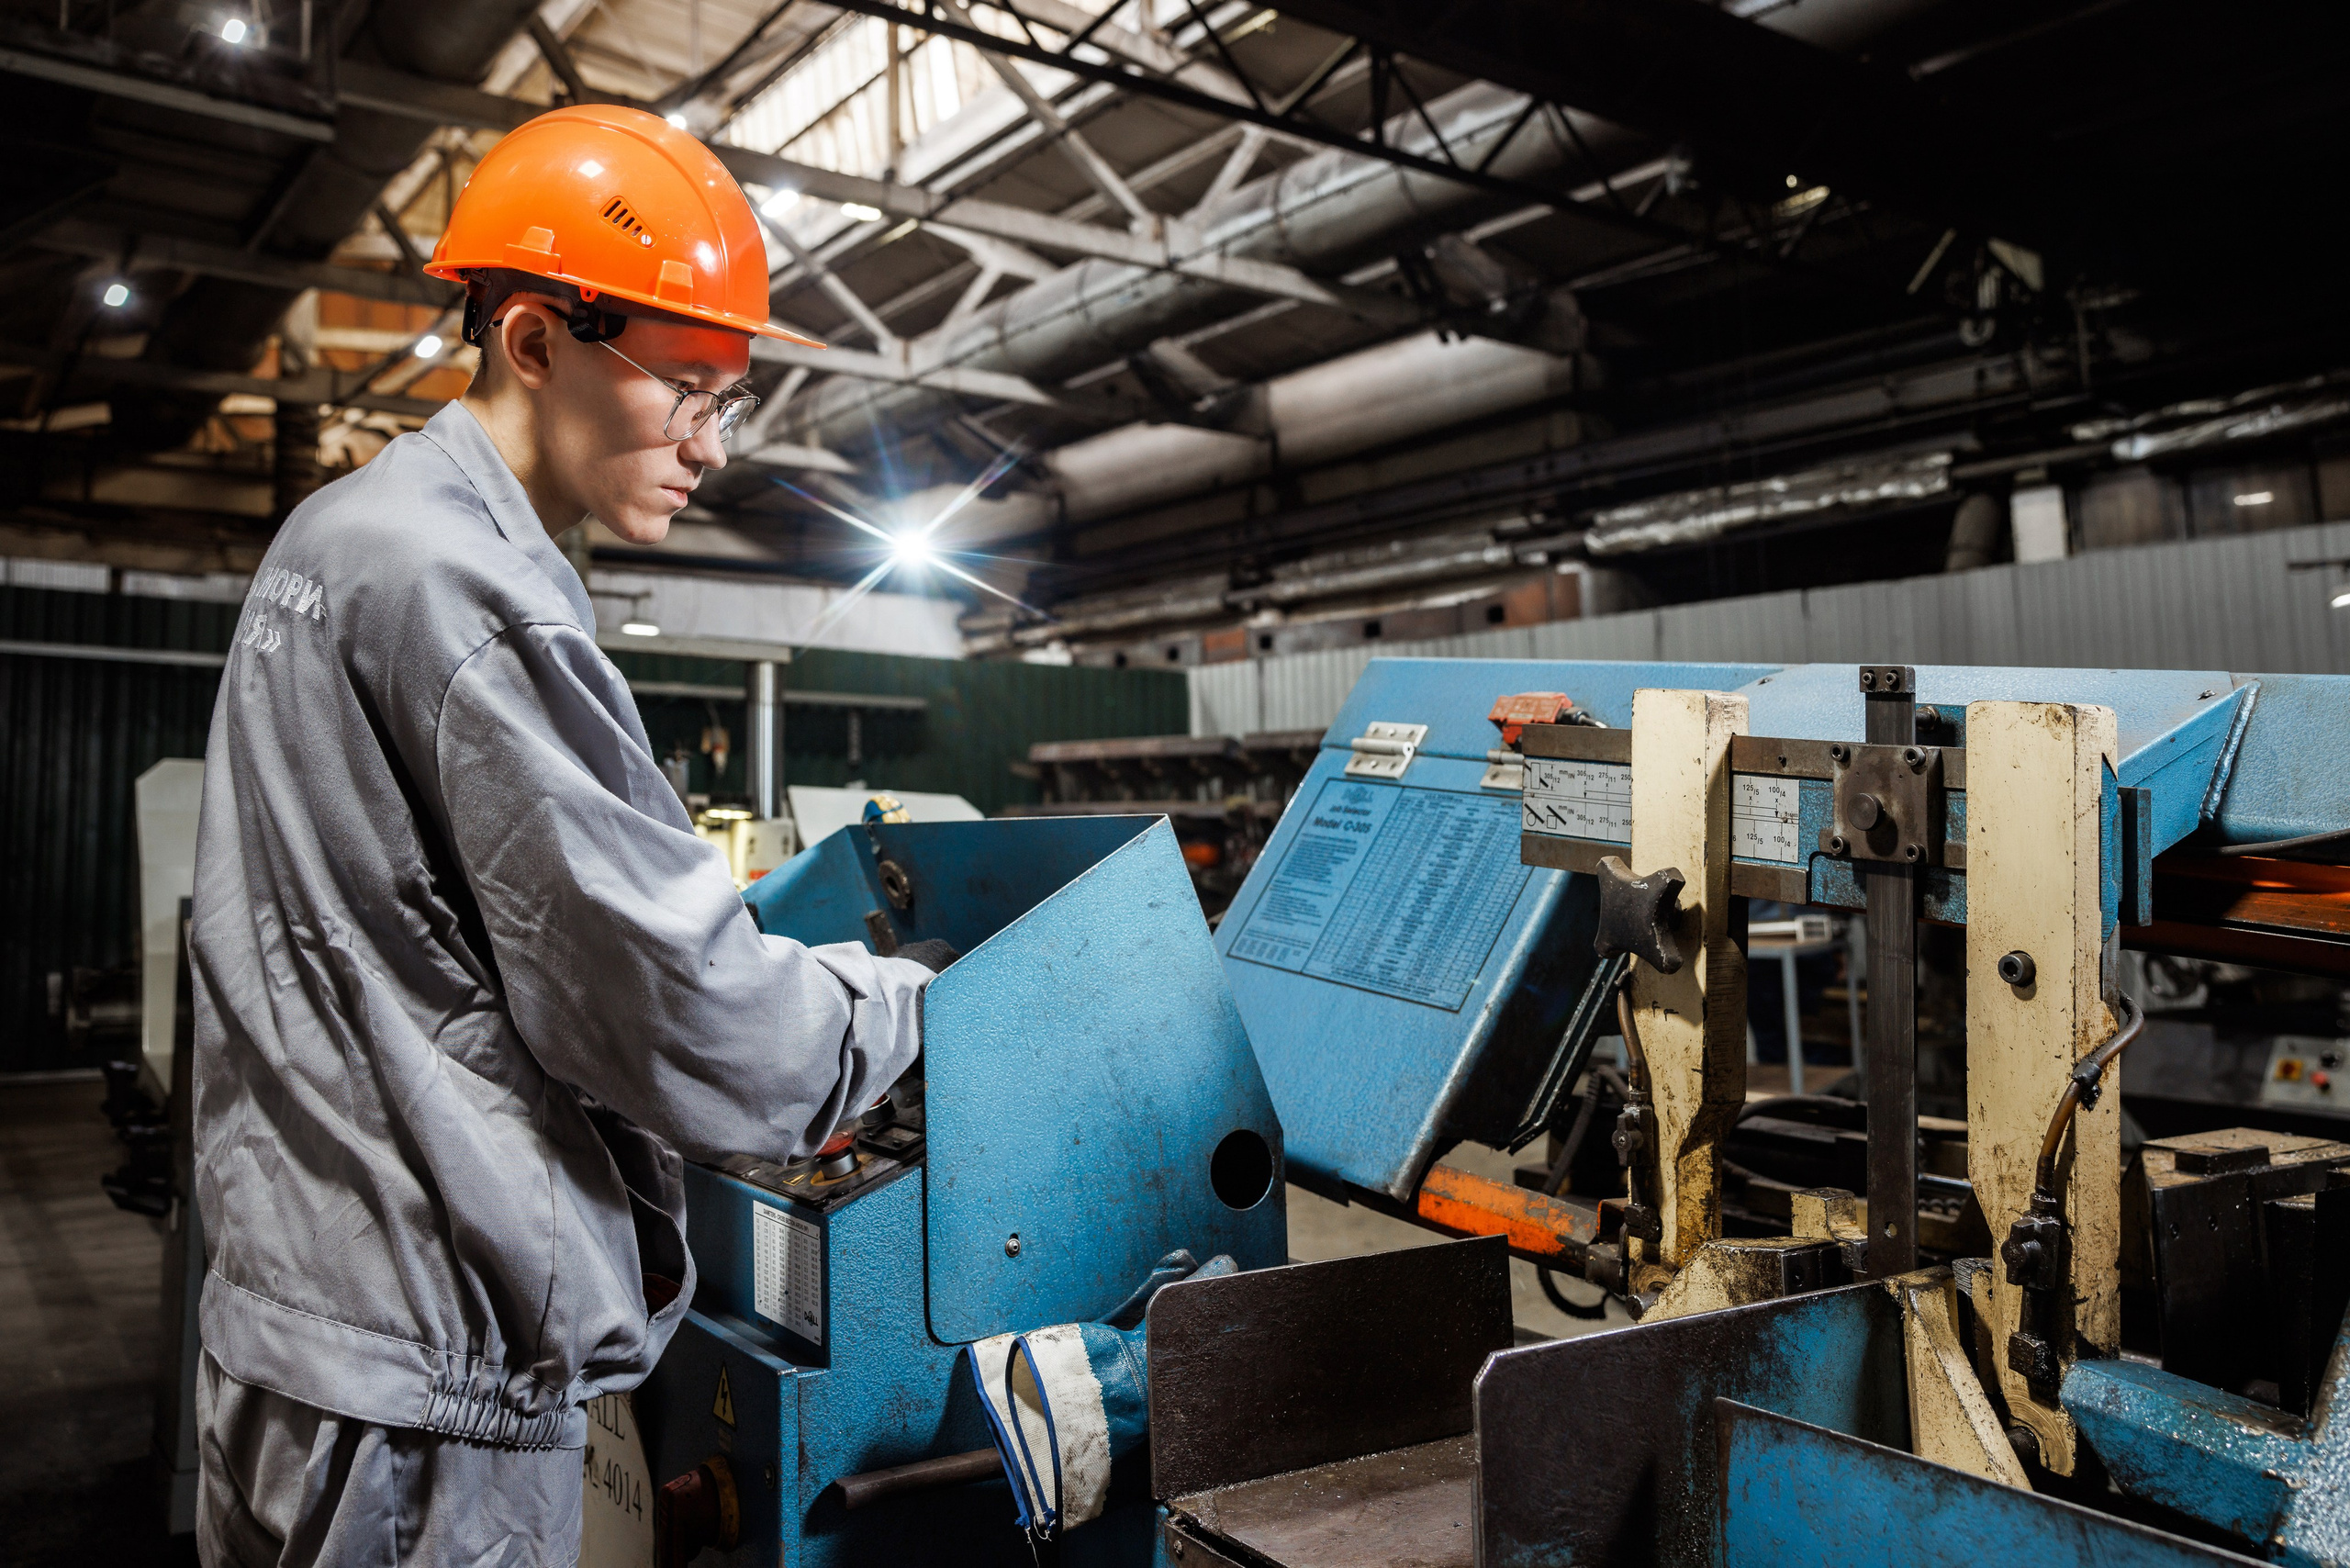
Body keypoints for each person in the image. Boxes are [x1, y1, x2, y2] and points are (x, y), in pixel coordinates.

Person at [187, 105, 946, 1566]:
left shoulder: (337, 535)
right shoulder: (469, 590)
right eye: (688, 391)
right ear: (534, 341)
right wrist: (911, 1005)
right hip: (419, 1389)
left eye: (730, 402)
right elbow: (684, 1017)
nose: (709, 446)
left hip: (299, 1321)